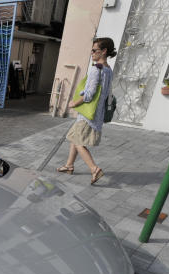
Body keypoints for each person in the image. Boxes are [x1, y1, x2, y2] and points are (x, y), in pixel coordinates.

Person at [57, 37, 116, 184]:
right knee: (74, 137)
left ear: (104, 51)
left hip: (88, 113)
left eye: (95, 50)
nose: (92, 53)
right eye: (92, 50)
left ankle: (94, 169)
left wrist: (74, 103)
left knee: (77, 141)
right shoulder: (108, 70)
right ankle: (69, 166)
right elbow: (103, 93)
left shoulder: (96, 69)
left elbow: (89, 95)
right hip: (97, 112)